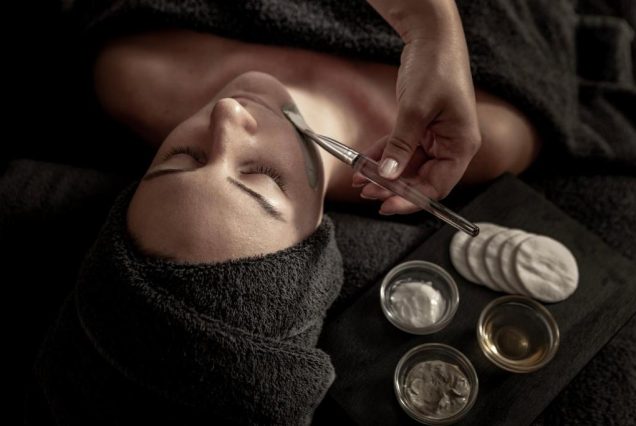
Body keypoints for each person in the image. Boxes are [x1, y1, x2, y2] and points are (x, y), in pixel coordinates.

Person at [27, 0, 555, 424]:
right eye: (260, 175)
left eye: (183, 157)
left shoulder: (131, 69)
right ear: (317, 230)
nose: (227, 115)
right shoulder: (487, 132)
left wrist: (432, 29)